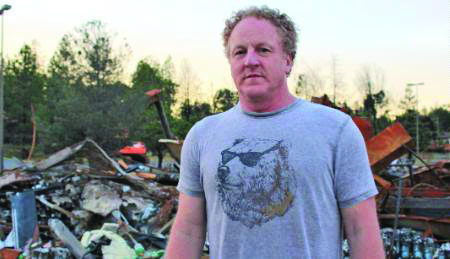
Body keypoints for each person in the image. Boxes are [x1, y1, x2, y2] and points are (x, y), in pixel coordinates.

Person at [166, 6, 384, 259]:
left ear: (288, 60)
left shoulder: (337, 131)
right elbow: (188, 230)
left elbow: (361, 229)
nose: (250, 61)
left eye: (263, 50)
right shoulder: (202, 136)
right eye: (239, 52)